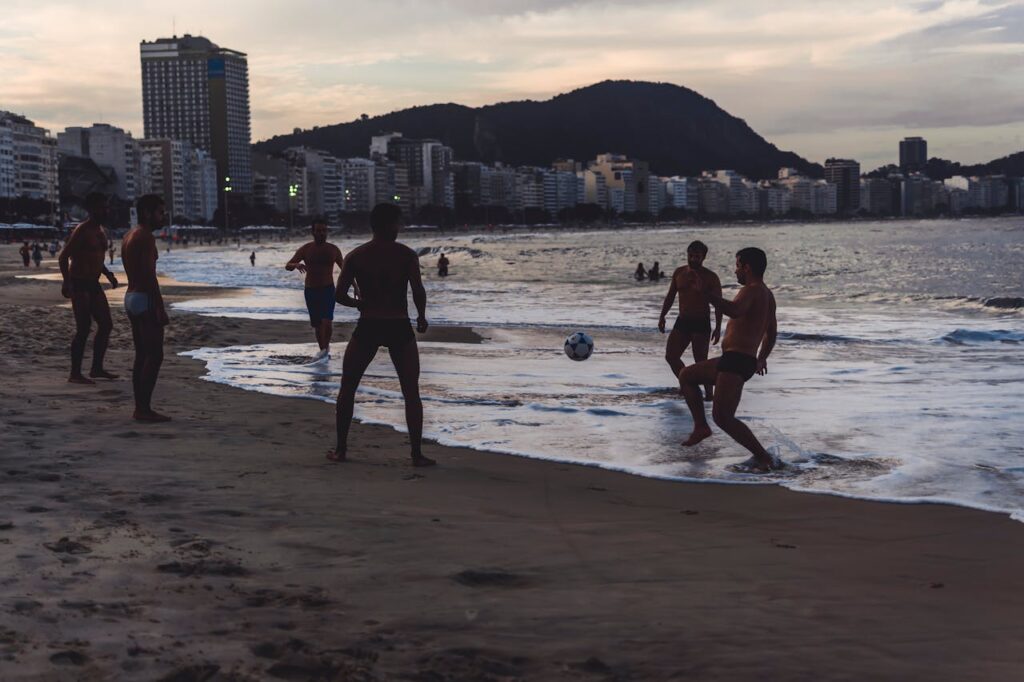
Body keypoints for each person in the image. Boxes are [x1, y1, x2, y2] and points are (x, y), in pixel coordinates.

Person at [329, 203, 434, 467]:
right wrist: (421, 316)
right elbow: (417, 290)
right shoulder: (407, 255)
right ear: (388, 226)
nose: (399, 228)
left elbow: (339, 295)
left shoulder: (356, 256)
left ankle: (341, 449)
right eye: (397, 223)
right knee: (411, 392)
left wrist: (358, 304)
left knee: (348, 387)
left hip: (369, 325)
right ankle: (416, 454)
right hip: (399, 325)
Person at [677, 247, 780, 473]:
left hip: (737, 360)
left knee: (723, 417)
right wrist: (762, 358)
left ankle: (764, 458)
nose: (735, 271)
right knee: (687, 375)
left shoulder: (752, 290)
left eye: (737, 266)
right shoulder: (767, 295)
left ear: (747, 267)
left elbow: (734, 310)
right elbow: (771, 333)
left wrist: (707, 294)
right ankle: (701, 427)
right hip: (737, 360)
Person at [59, 192, 119, 384]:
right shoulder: (82, 230)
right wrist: (66, 282)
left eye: (106, 207)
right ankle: (74, 373)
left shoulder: (101, 230)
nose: (106, 210)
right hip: (79, 283)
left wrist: (108, 274)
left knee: (106, 325)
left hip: (94, 284)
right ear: (92, 209)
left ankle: (96, 368)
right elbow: (63, 257)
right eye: (102, 207)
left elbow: (95, 257)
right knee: (84, 328)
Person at [122, 194, 171, 422]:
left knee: (142, 354)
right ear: (147, 213)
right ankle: (143, 409)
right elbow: (149, 275)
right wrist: (159, 306)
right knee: (155, 355)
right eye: (160, 212)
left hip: (131, 296)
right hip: (145, 298)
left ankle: (140, 407)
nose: (164, 216)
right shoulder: (145, 238)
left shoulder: (129, 235)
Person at [659, 241, 723, 401]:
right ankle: (687, 383)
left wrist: (718, 327)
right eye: (691, 256)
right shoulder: (679, 273)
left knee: (701, 361)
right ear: (687, 254)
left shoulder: (711, 277)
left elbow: (719, 304)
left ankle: (709, 395)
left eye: (697, 257)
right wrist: (662, 315)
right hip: (683, 321)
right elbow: (670, 296)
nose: (693, 259)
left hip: (701, 322)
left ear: (704, 257)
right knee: (671, 356)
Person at [285, 218, 347, 361]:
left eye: (324, 230)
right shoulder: (306, 249)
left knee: (327, 321)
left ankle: (325, 350)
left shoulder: (333, 249)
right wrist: (296, 265)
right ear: (313, 232)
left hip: (328, 289)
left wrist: (355, 287)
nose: (321, 233)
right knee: (318, 324)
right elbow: (288, 265)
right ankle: (323, 350)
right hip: (311, 290)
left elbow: (345, 270)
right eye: (318, 230)